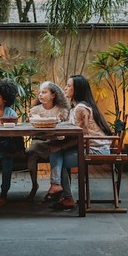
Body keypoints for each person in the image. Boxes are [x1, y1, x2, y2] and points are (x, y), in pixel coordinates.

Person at [48, 75, 113, 212]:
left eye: (69, 85)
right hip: (91, 147)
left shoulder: (80, 109)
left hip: (95, 150)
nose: (65, 88)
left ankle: (65, 194)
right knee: (56, 153)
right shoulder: (77, 107)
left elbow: (80, 136)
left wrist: (60, 145)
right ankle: (62, 191)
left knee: (58, 157)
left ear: (77, 89)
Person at [25, 81, 71, 201]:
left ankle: (59, 187)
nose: (40, 95)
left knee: (56, 150)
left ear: (53, 95)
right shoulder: (35, 110)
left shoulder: (61, 111)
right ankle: (34, 185)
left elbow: (63, 129)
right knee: (31, 151)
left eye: (44, 92)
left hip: (57, 141)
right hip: (40, 141)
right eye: (39, 92)